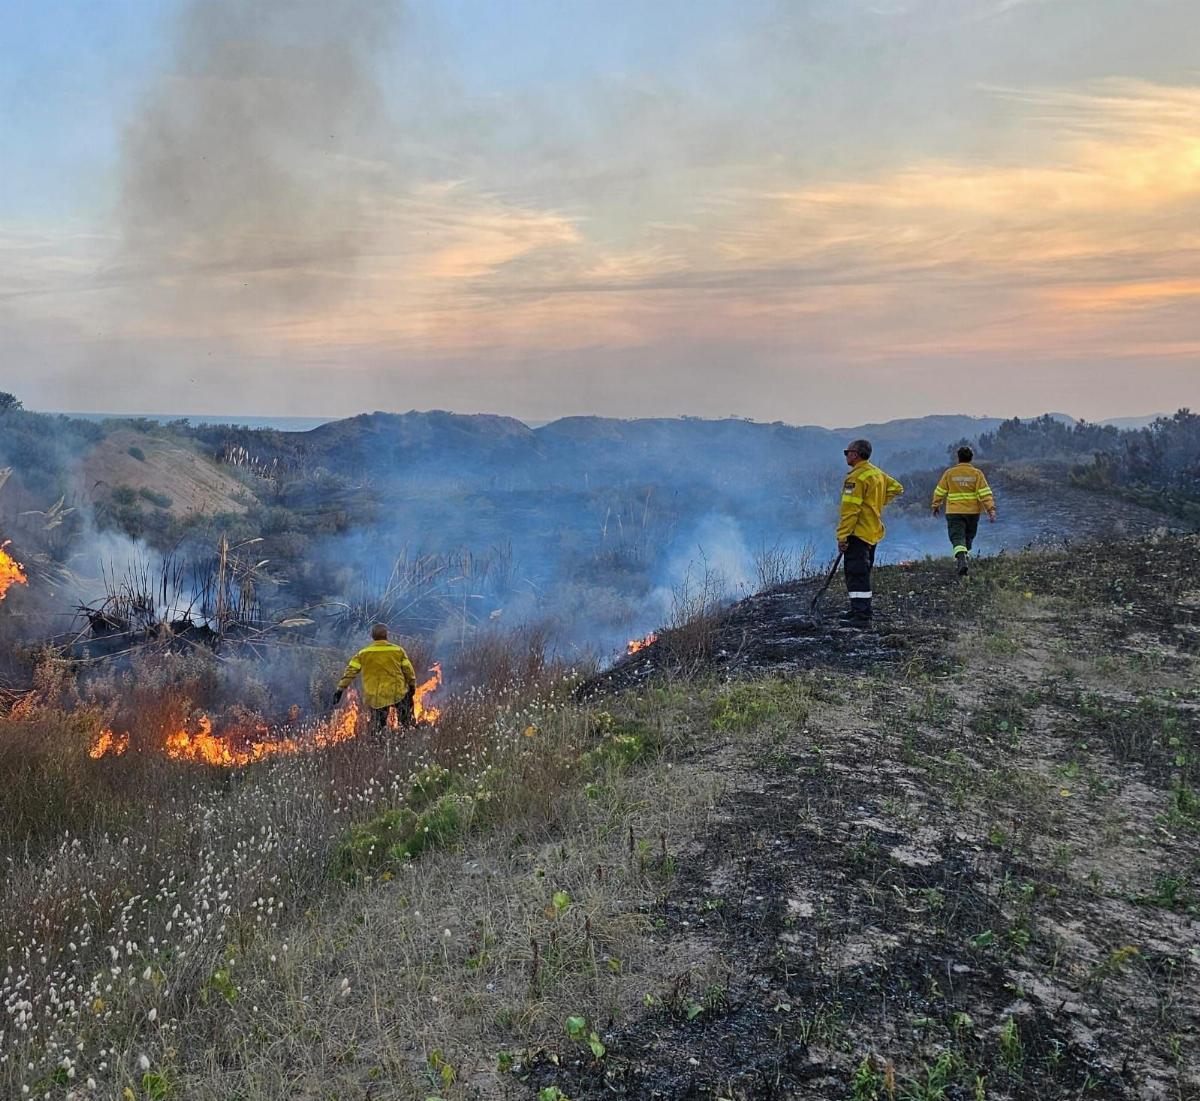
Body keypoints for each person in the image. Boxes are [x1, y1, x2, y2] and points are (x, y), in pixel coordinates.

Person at [836, 439, 903, 626]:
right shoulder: (876, 472)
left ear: (855, 454)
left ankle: (862, 617)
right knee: (863, 571)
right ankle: (858, 609)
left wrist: (842, 536)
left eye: (847, 452)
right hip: (872, 532)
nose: (846, 455)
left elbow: (850, 511)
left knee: (857, 574)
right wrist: (876, 504)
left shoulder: (856, 478)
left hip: (857, 533)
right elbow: (897, 488)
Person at [334, 624, 417, 730]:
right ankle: (407, 736)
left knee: (377, 726)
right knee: (406, 722)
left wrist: (340, 690)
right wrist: (412, 687)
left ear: (373, 636)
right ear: (386, 635)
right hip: (397, 692)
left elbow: (350, 672)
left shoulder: (363, 653)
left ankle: (377, 741)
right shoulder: (398, 651)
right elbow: (409, 671)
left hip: (375, 695)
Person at [931, 446, 996, 576]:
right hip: (973, 512)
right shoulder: (977, 474)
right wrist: (991, 510)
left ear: (958, 458)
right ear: (971, 458)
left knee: (957, 536)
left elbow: (939, 491)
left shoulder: (950, 473)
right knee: (968, 536)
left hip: (954, 511)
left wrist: (936, 506)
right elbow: (985, 493)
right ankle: (964, 558)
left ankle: (962, 560)